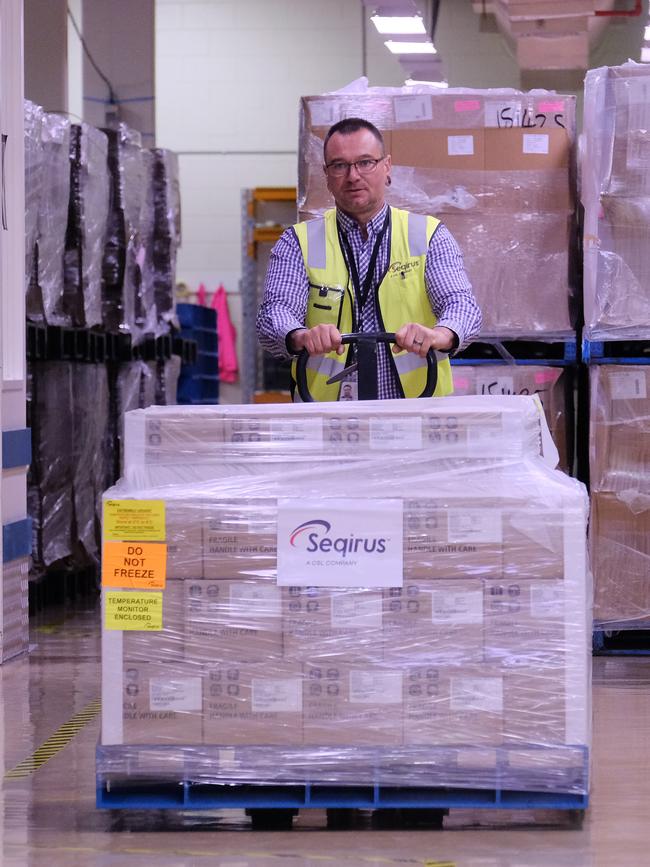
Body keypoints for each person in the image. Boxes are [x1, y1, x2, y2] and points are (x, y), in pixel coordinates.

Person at [256, 117, 482, 401]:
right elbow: (274, 313)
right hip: (326, 419)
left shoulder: (428, 235)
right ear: (326, 175)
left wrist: (441, 334)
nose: (353, 176)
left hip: (416, 414)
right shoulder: (297, 243)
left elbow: (461, 304)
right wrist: (300, 335)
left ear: (386, 166)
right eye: (340, 165)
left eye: (365, 162)